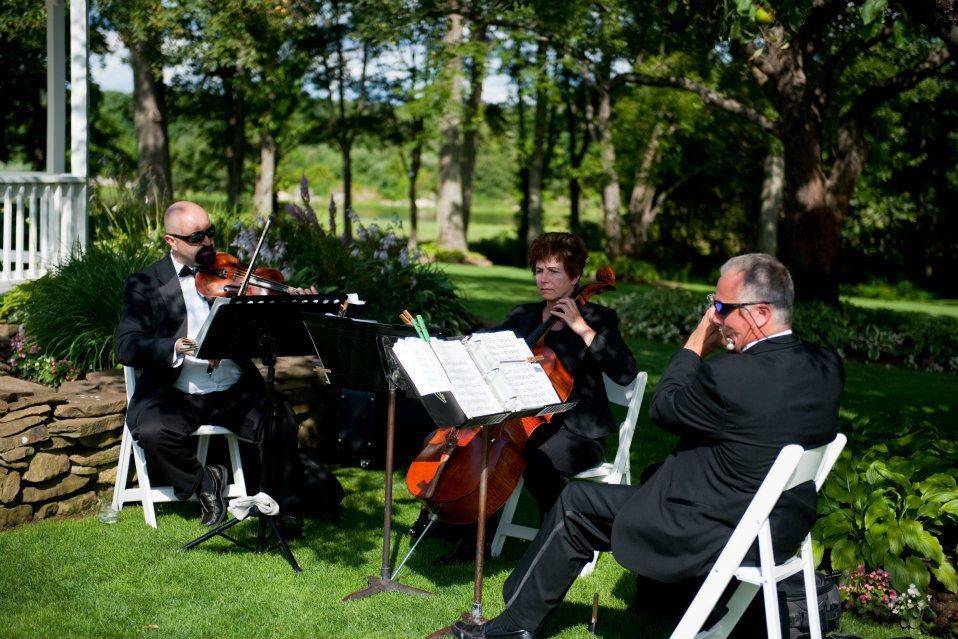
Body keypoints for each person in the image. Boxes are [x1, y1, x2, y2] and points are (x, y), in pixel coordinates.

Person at [451, 253, 844, 639]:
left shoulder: (729, 376)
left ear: (759, 314)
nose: (717, 318)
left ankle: (513, 625)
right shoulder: (826, 367)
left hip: (715, 526)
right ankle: (662, 603)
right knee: (655, 472)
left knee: (575, 504)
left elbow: (665, 407)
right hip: (782, 524)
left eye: (723, 307)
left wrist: (695, 344)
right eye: (714, 306)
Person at [409, 232, 637, 561]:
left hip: (575, 430)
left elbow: (625, 371)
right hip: (519, 421)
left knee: (539, 461)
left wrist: (580, 327)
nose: (543, 279)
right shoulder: (524, 316)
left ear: (575, 277)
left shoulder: (600, 318)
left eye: (554, 271)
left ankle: (557, 541)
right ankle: (467, 532)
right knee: (472, 445)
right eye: (538, 271)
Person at [115, 201, 314, 526]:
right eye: (196, 237)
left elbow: (272, 331)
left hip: (234, 390)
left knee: (280, 417)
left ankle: (279, 509)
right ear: (171, 241)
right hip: (176, 393)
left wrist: (297, 304)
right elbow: (126, 346)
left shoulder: (236, 274)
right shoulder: (146, 283)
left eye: (210, 233)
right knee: (151, 431)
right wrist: (175, 346)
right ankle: (206, 482)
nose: (207, 242)